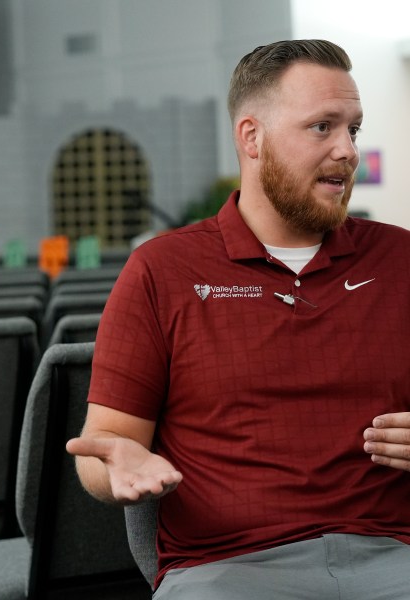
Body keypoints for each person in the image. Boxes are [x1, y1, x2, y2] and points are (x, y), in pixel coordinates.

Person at [66, 39, 410, 599]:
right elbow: (103, 448)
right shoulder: (162, 270)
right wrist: (118, 466)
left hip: (393, 554)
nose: (348, 150)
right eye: (323, 127)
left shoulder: (401, 260)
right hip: (229, 570)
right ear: (252, 138)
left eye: (354, 128)